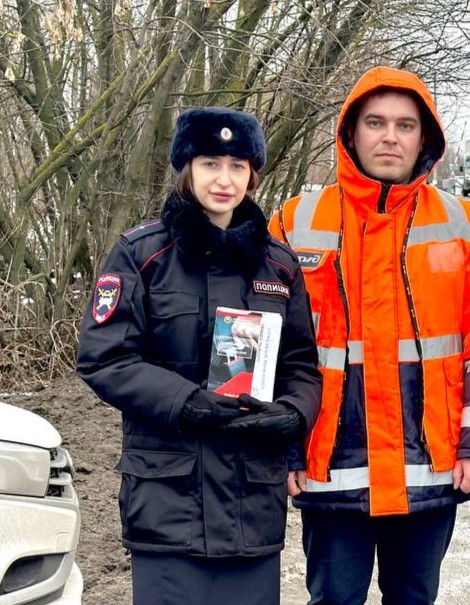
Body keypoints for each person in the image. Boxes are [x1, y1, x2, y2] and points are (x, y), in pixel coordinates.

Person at [269, 66, 470, 604]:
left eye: (405, 125)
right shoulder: (294, 222)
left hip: (430, 464)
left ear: (424, 138)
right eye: (376, 122)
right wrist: (283, 450)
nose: (390, 136)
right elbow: (273, 350)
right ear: (351, 133)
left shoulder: (466, 223)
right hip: (329, 465)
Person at [76, 107, 322, 605]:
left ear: (253, 173)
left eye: (237, 166)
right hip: (168, 500)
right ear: (187, 167)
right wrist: (185, 402)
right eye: (211, 163)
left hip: (251, 501)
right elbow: (104, 357)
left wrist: (293, 414)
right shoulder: (141, 254)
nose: (224, 179)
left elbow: (301, 363)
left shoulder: (278, 263)